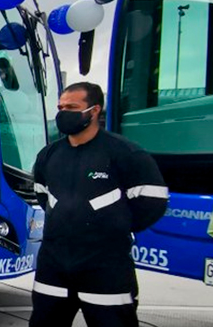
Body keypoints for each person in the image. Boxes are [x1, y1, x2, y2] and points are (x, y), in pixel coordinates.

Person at [30, 82, 168, 327]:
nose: (63, 113)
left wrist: (114, 225)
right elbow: (41, 193)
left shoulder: (126, 153)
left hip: (105, 268)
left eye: (72, 107)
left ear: (94, 111)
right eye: (60, 107)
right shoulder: (48, 155)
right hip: (53, 266)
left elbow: (153, 201)